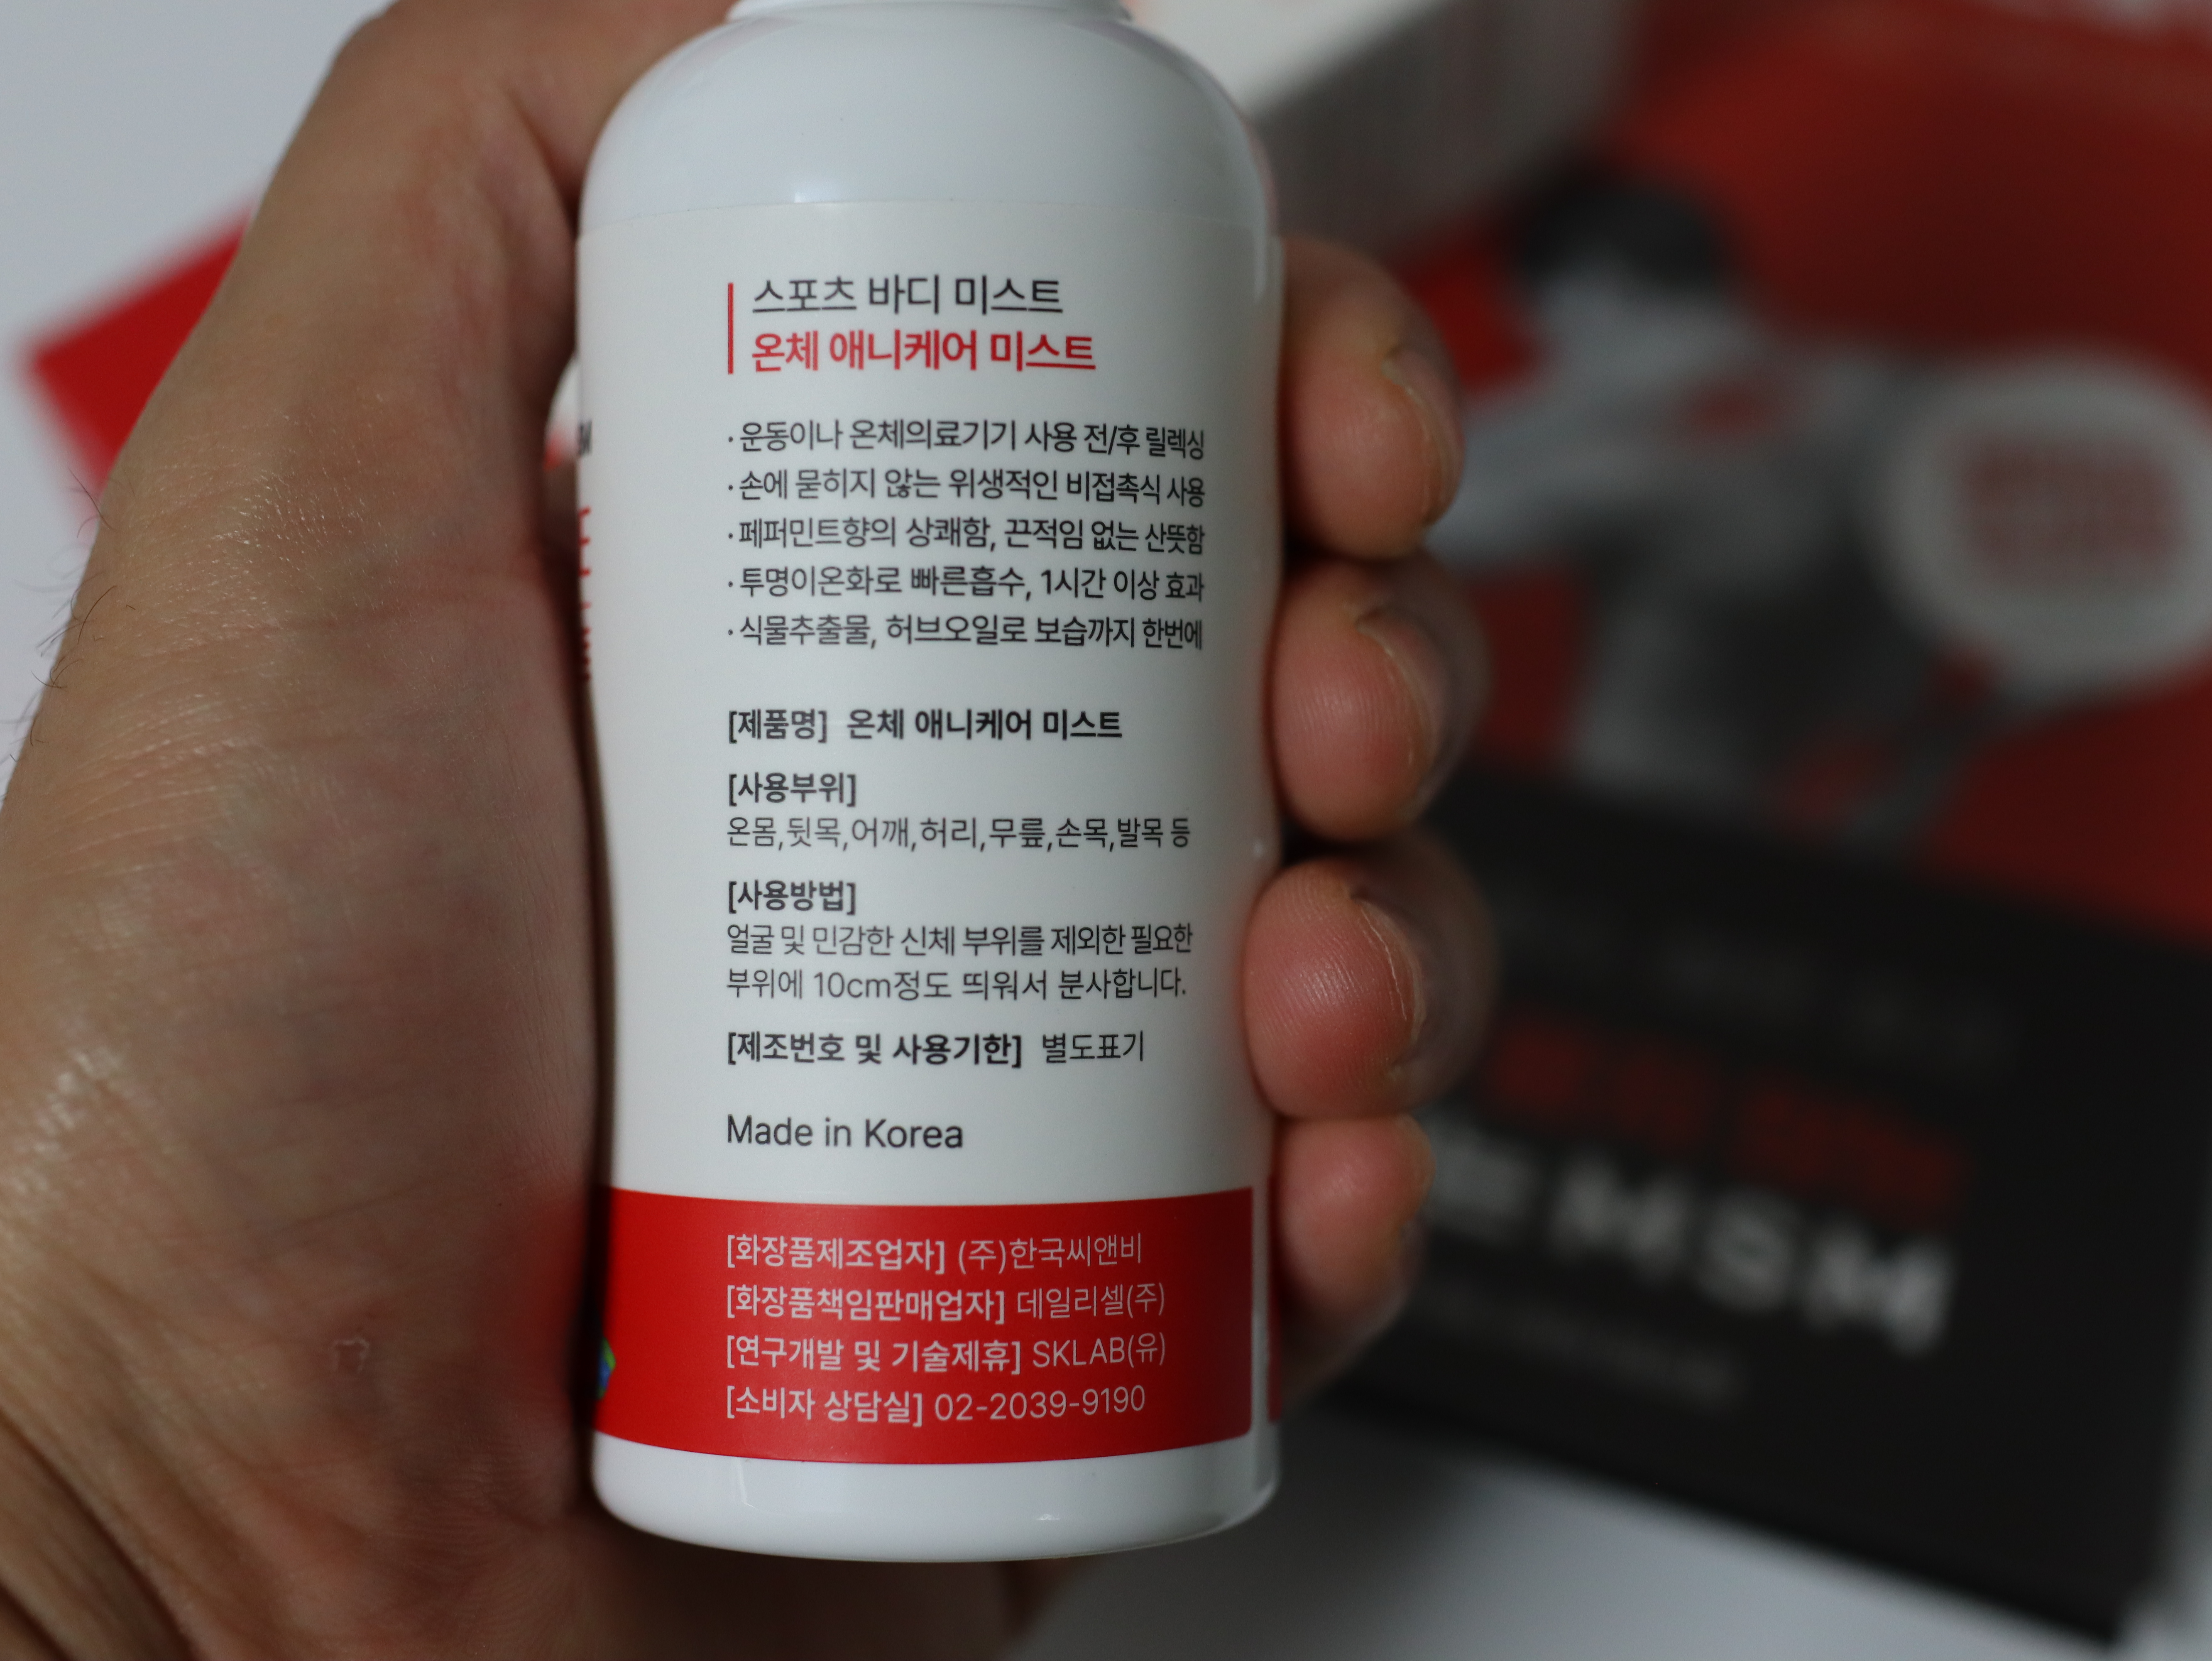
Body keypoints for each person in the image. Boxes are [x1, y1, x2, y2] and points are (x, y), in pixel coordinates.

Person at [0, 0, 1491, 1653]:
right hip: (728, 1333)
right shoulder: (727, 124)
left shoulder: (1070, 131)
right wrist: (106, 1495)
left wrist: (115, 1539)